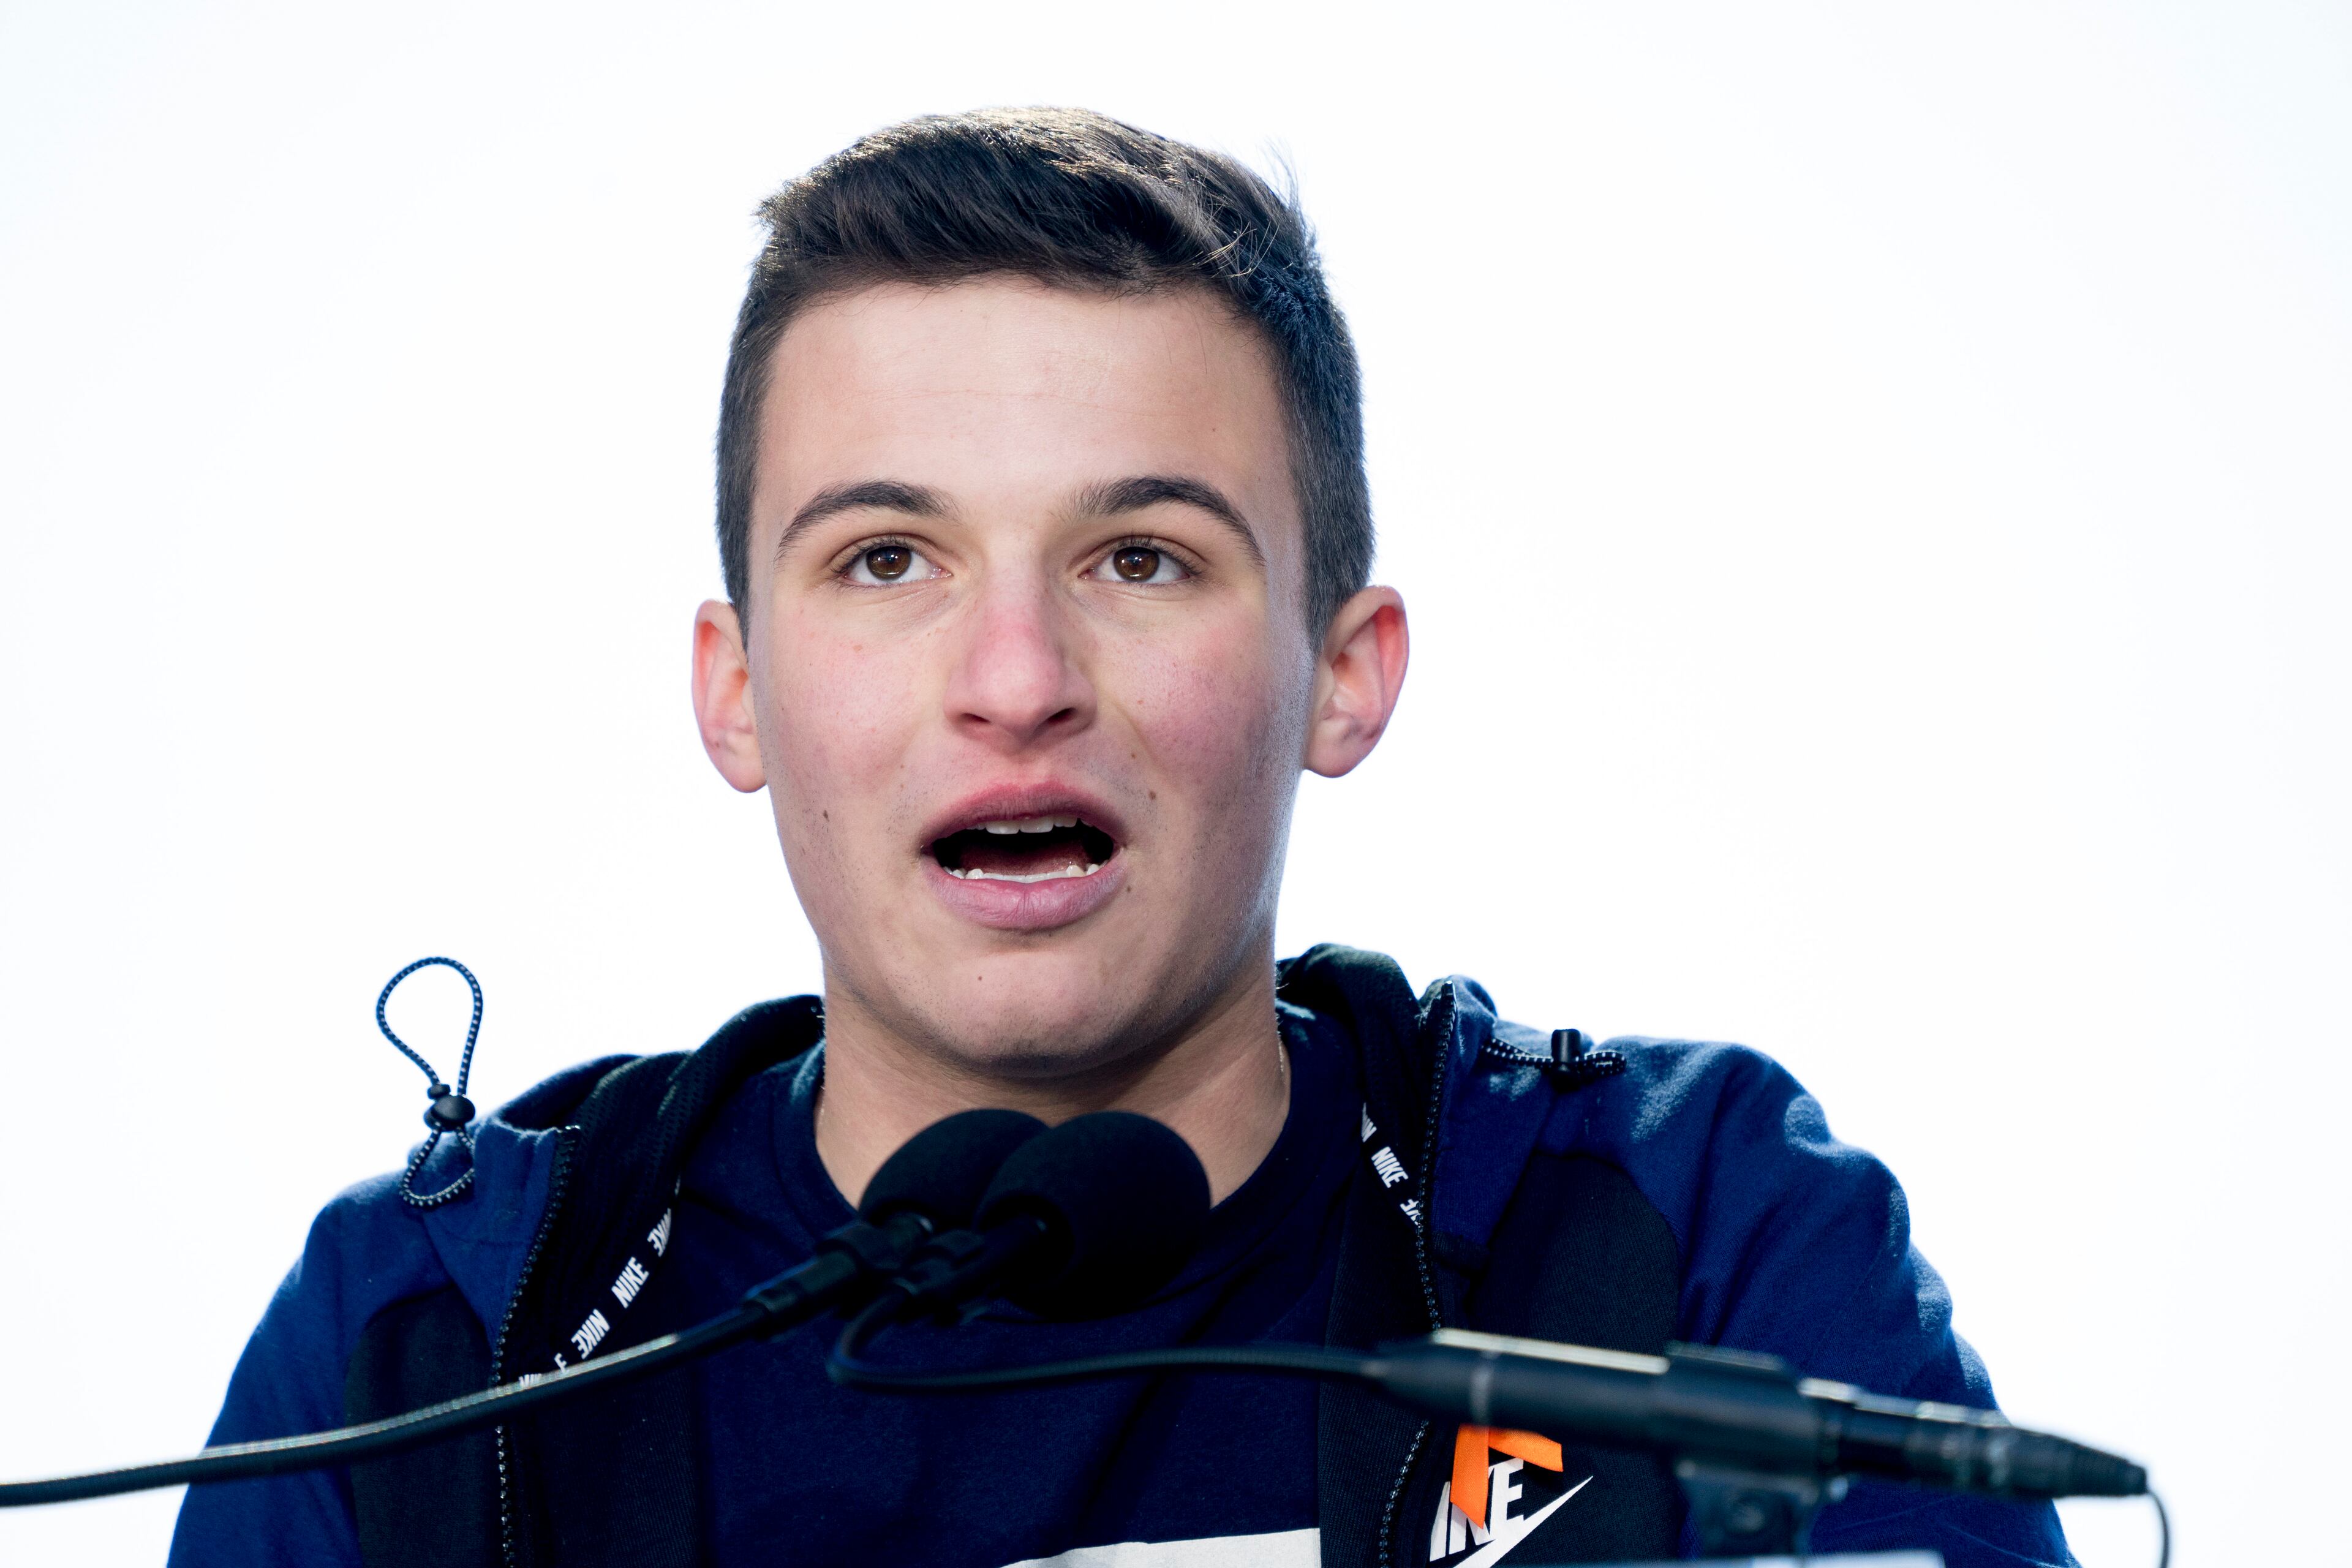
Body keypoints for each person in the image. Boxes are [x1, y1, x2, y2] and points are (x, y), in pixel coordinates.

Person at [168, 108, 2074, 1568]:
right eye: (888, 560)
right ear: (736, 693)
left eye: (1142, 559)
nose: (1016, 680)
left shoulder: (1691, 1232)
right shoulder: (427, 1349)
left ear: (1344, 673)